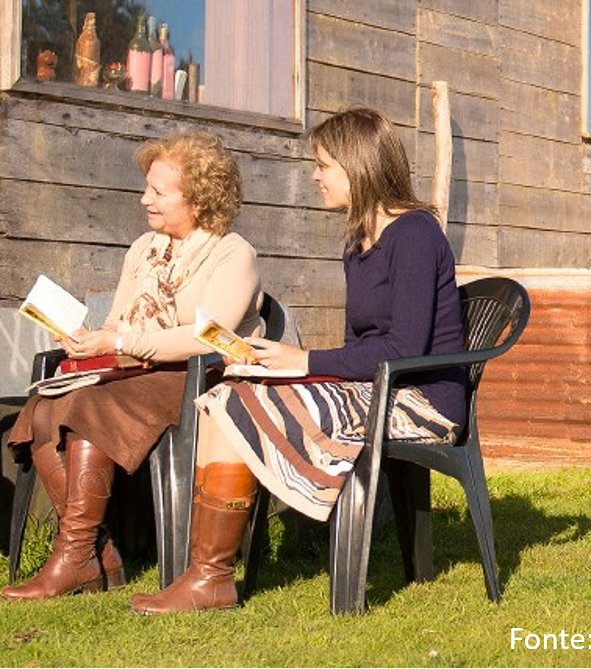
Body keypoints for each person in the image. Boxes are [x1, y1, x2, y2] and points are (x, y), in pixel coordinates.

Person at [129, 107, 466, 615]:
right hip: (376, 386)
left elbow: (405, 350)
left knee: (245, 398)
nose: (315, 175)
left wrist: (303, 360)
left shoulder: (416, 234)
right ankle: (209, 575)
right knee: (230, 392)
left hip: (421, 400)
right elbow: (359, 348)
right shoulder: (358, 243)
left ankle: (208, 576)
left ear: (358, 167)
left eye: (324, 164)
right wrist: (278, 364)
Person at [2, 131, 263, 601]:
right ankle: (91, 552)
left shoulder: (232, 253)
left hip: (198, 377)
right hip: (136, 369)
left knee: (90, 406)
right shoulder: (144, 248)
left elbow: (206, 337)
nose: (145, 199)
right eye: (148, 187)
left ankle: (78, 554)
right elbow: (119, 321)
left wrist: (122, 340)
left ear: (199, 198)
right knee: (45, 406)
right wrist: (87, 341)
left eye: (159, 191)